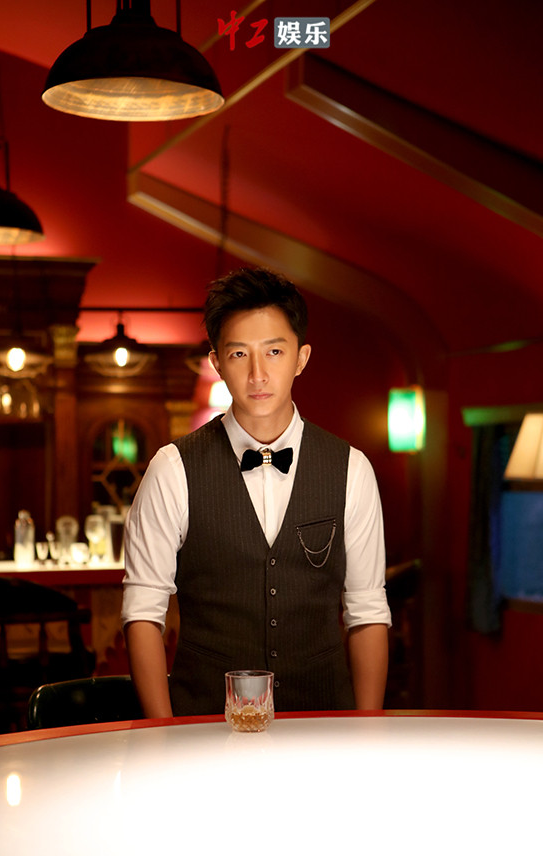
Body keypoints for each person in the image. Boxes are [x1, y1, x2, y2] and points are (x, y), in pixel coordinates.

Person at [122, 266, 391, 717]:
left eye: (274, 351)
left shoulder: (352, 469)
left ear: (301, 358)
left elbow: (367, 612)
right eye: (239, 354)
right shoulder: (172, 470)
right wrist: (162, 735)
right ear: (216, 363)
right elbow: (143, 613)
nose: (258, 374)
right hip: (203, 725)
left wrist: (367, 730)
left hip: (325, 726)